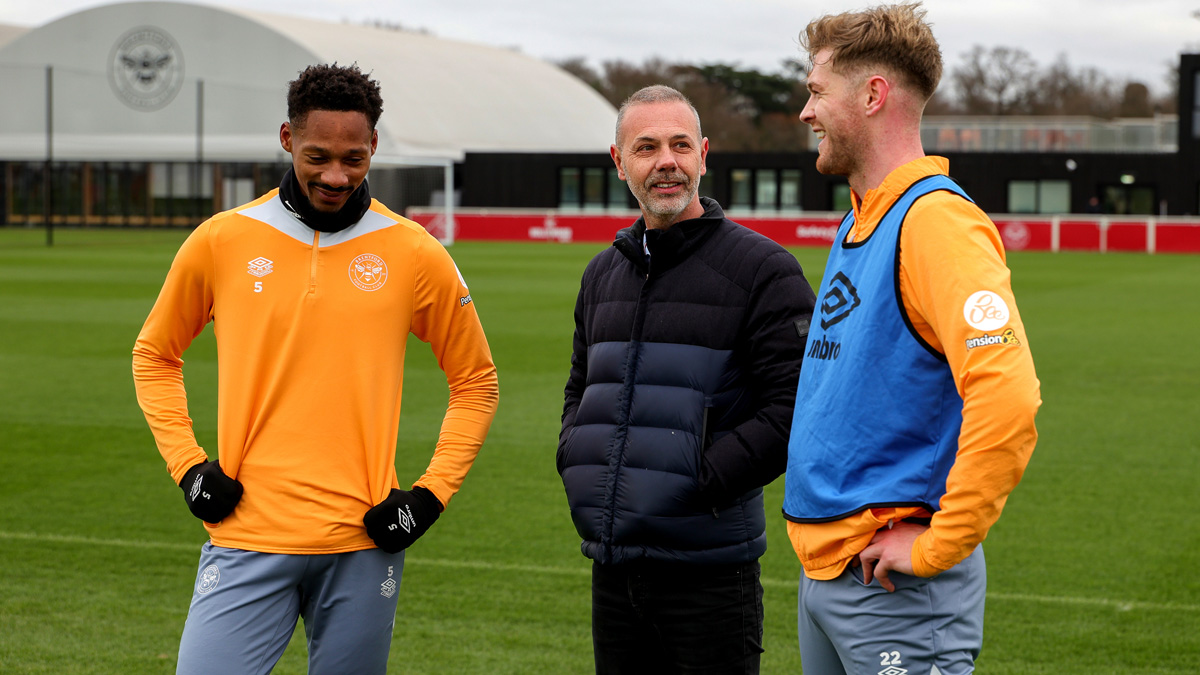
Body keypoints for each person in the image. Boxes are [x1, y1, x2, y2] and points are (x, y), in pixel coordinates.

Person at [132, 63, 499, 674]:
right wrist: (188, 467)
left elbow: (476, 382)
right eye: (318, 155)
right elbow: (154, 355)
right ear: (286, 139)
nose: (335, 175)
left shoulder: (415, 252)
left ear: (374, 147)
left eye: (354, 158)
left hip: (364, 544)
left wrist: (428, 498)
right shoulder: (222, 239)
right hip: (247, 536)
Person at [781, 4, 1041, 674]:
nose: (805, 113)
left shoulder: (935, 224)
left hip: (898, 589)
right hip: (832, 572)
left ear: (872, 95)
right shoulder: (862, 219)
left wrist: (938, 545)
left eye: (815, 91)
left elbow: (1007, 395)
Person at [557, 85, 817, 674]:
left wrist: (698, 482)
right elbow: (580, 387)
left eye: (679, 145)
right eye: (646, 147)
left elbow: (796, 405)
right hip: (613, 567)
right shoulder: (602, 273)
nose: (666, 161)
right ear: (619, 163)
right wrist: (576, 456)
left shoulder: (764, 269)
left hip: (711, 573)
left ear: (704, 153)